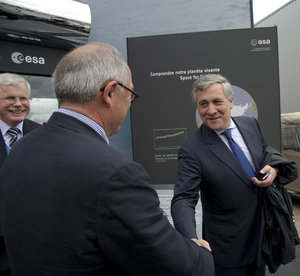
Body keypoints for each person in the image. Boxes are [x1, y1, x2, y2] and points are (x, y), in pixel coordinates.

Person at [0, 42, 214, 275]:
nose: (129, 105)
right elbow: (179, 267)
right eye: (130, 94)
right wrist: (198, 253)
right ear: (110, 92)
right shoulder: (115, 173)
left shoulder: (21, 148)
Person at [171, 74, 283, 276]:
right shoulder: (192, 150)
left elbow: (267, 153)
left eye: (217, 102)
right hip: (227, 251)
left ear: (231, 102)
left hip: (261, 240)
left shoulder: (251, 125)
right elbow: (183, 198)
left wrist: (273, 168)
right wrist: (190, 237)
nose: (210, 110)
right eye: (203, 104)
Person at [0, 73, 40, 276]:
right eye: (10, 98)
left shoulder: (41, 133)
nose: (18, 104)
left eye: (23, 98)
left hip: (36, 241)